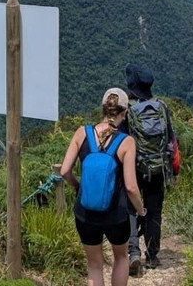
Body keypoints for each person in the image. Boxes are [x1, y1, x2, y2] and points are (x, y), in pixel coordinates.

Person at [60, 88, 147, 286]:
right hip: (116, 214)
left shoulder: (82, 133)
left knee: (94, 265)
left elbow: (65, 171)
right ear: (124, 113)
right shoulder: (126, 142)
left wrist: (78, 187)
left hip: (85, 212)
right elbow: (131, 187)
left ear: (103, 109)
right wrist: (141, 211)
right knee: (122, 258)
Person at [124, 63, 178, 275]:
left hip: (135, 168)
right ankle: (153, 255)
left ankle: (134, 252)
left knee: (131, 208)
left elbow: (121, 141)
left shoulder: (128, 110)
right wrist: (174, 171)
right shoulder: (162, 108)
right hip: (158, 168)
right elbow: (172, 141)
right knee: (154, 210)